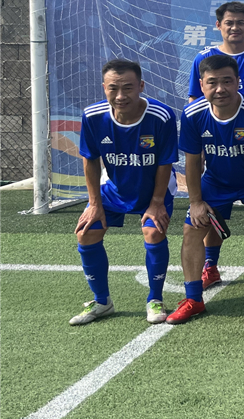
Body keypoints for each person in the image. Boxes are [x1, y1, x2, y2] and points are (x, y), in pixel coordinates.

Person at [168, 55, 244, 325]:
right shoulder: (193, 114)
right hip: (216, 181)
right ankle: (194, 299)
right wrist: (195, 201)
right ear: (201, 85)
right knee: (192, 228)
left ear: (238, 82)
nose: (220, 89)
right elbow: (192, 161)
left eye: (227, 81)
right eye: (212, 83)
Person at [70, 59, 177, 326]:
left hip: (155, 188)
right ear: (104, 88)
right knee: (86, 232)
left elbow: (165, 163)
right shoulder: (93, 116)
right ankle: (101, 301)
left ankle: (155, 298)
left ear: (141, 86)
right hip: (114, 187)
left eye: (128, 88)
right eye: (113, 88)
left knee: (153, 231)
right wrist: (94, 203)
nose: (120, 95)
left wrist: (156, 202)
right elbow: (90, 160)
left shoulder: (161, 116)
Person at [187, 1, 244, 292]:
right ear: (218, 26)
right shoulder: (204, 58)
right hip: (218, 148)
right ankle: (210, 266)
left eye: (240, 22)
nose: (235, 27)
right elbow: (195, 101)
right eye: (229, 22)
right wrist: (202, 145)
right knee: (211, 214)